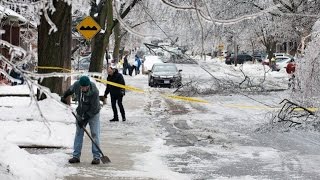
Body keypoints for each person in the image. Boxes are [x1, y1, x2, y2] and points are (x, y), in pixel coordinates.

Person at [61, 76, 101, 165]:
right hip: (81, 111)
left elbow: (94, 108)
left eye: (85, 87)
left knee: (95, 134)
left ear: (88, 85)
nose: (84, 89)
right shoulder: (77, 85)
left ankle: (96, 157)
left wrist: (84, 119)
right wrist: (64, 96)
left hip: (93, 114)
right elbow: (70, 90)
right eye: (82, 87)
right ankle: (76, 156)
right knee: (79, 133)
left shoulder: (94, 91)